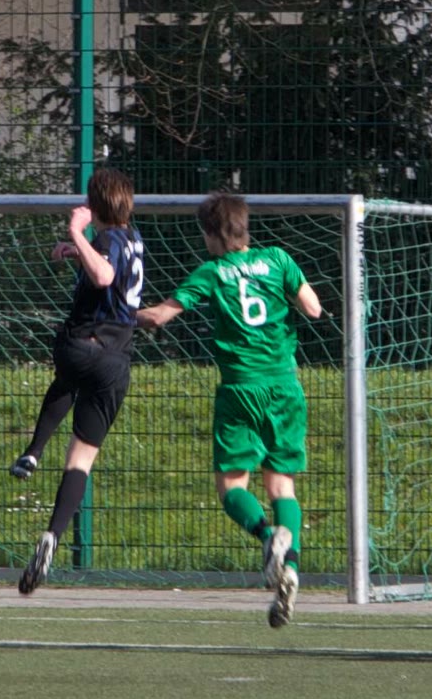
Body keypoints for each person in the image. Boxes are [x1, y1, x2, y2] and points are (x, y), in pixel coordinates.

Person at [136, 192, 322, 628]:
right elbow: (313, 308)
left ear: (213, 235)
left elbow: (160, 316)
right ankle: (291, 566)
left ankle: (266, 535)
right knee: (282, 486)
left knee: (231, 486)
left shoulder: (213, 271)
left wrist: (121, 314)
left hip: (240, 389)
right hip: (284, 387)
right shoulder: (278, 259)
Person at [10, 168, 146, 595]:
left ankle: (33, 452)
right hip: (116, 362)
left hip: (83, 346)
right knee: (79, 462)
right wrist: (76, 251)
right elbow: (111, 272)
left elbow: (104, 275)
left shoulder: (105, 239)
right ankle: (52, 536)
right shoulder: (134, 238)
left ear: (96, 205)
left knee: (67, 376)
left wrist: (75, 231)